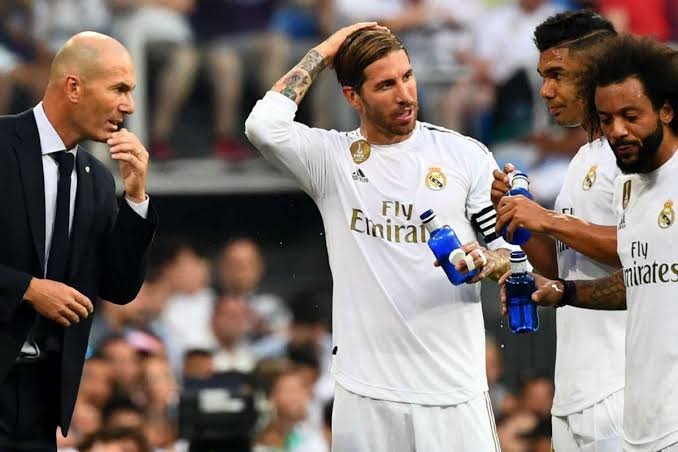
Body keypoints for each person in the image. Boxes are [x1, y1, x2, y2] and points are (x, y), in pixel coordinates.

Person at [246, 22, 516, 451]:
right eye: (386, 85)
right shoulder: (331, 160)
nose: (405, 94)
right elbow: (263, 126)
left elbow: (512, 256)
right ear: (352, 96)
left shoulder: (464, 155)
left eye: (407, 77)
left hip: (453, 388)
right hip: (364, 391)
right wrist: (325, 51)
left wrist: (486, 260)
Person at [499, 34, 678, 452]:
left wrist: (549, 220)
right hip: (629, 410)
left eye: (630, 116)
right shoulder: (622, 178)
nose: (617, 131)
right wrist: (564, 290)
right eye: (607, 118)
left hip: (625, 392)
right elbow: (639, 276)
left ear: (666, 110)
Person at [0, 31, 156, 450]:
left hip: (42, 398)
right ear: (73, 87)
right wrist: (28, 289)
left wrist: (136, 198)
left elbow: (119, 288)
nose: (130, 106)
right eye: (119, 89)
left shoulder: (98, 180)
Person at [490, 10, 625, 451]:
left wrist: (547, 219)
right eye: (543, 76)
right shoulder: (584, 157)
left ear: (597, 72)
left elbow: (646, 252)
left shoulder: (632, 156)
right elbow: (561, 269)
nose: (546, 90)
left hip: (623, 386)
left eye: (557, 75)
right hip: (573, 391)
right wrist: (520, 220)